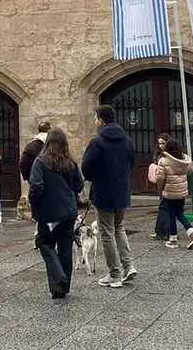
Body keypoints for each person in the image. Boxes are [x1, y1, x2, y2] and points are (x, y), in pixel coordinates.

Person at [81, 104, 136, 289]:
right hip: (122, 191)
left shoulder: (97, 142)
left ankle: (115, 273)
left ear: (101, 120)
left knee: (106, 232)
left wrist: (97, 177)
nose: (95, 121)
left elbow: (86, 168)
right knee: (119, 227)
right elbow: (132, 162)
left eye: (95, 118)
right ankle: (128, 266)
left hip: (104, 192)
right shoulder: (127, 140)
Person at [28, 128, 84, 299]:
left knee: (45, 244)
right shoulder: (70, 162)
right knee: (65, 249)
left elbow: (37, 187)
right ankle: (63, 287)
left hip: (48, 213)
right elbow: (79, 185)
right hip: (68, 212)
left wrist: (33, 201)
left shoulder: (40, 162)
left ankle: (58, 278)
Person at [155, 134, 193, 249]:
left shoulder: (163, 160)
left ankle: (180, 237)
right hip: (181, 192)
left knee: (172, 215)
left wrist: (160, 190)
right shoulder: (185, 159)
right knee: (178, 213)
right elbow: (190, 171)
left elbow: (160, 178)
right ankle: (178, 237)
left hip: (169, 192)